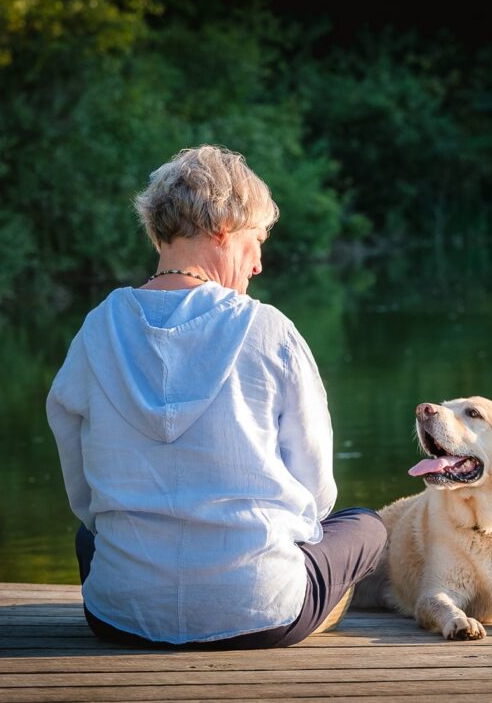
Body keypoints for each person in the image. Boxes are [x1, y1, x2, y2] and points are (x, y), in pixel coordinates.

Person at [46, 144, 386, 648]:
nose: (258, 264)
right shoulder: (269, 330)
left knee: (89, 536)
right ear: (225, 229)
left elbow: (82, 489)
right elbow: (316, 492)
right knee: (366, 526)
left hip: (120, 618)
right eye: (257, 240)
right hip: (263, 613)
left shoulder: (97, 328)